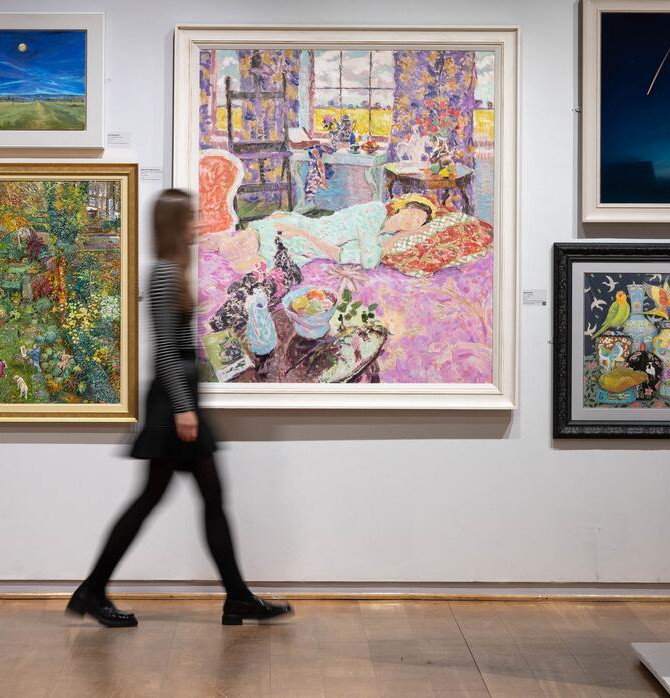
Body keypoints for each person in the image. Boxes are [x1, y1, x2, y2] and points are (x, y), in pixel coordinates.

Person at [67, 189, 292, 628]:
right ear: (174, 225)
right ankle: (94, 591)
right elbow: (168, 351)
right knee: (174, 500)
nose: (195, 225)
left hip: (176, 403)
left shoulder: (171, 271)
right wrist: (185, 409)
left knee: (188, 499)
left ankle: (235, 597)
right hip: (175, 407)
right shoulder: (166, 275)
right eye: (188, 218)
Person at [206, 194, 438, 272]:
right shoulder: (376, 211)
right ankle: (216, 242)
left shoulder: (382, 241)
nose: (412, 220)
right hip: (303, 229)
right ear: (406, 206)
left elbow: (341, 256)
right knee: (234, 249)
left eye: (418, 223)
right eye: (414, 213)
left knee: (245, 264)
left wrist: (398, 238)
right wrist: (300, 231)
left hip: (305, 245)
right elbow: (368, 259)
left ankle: (218, 245)